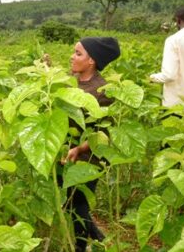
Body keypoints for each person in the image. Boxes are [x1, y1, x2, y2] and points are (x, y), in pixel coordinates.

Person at [60, 36, 121, 252]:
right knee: (69, 203)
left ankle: (80, 247)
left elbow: (101, 132)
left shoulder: (101, 90)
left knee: (78, 204)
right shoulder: (71, 80)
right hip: (67, 153)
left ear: (91, 61)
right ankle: (100, 238)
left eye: (78, 53)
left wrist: (79, 148)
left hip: (88, 156)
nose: (72, 57)